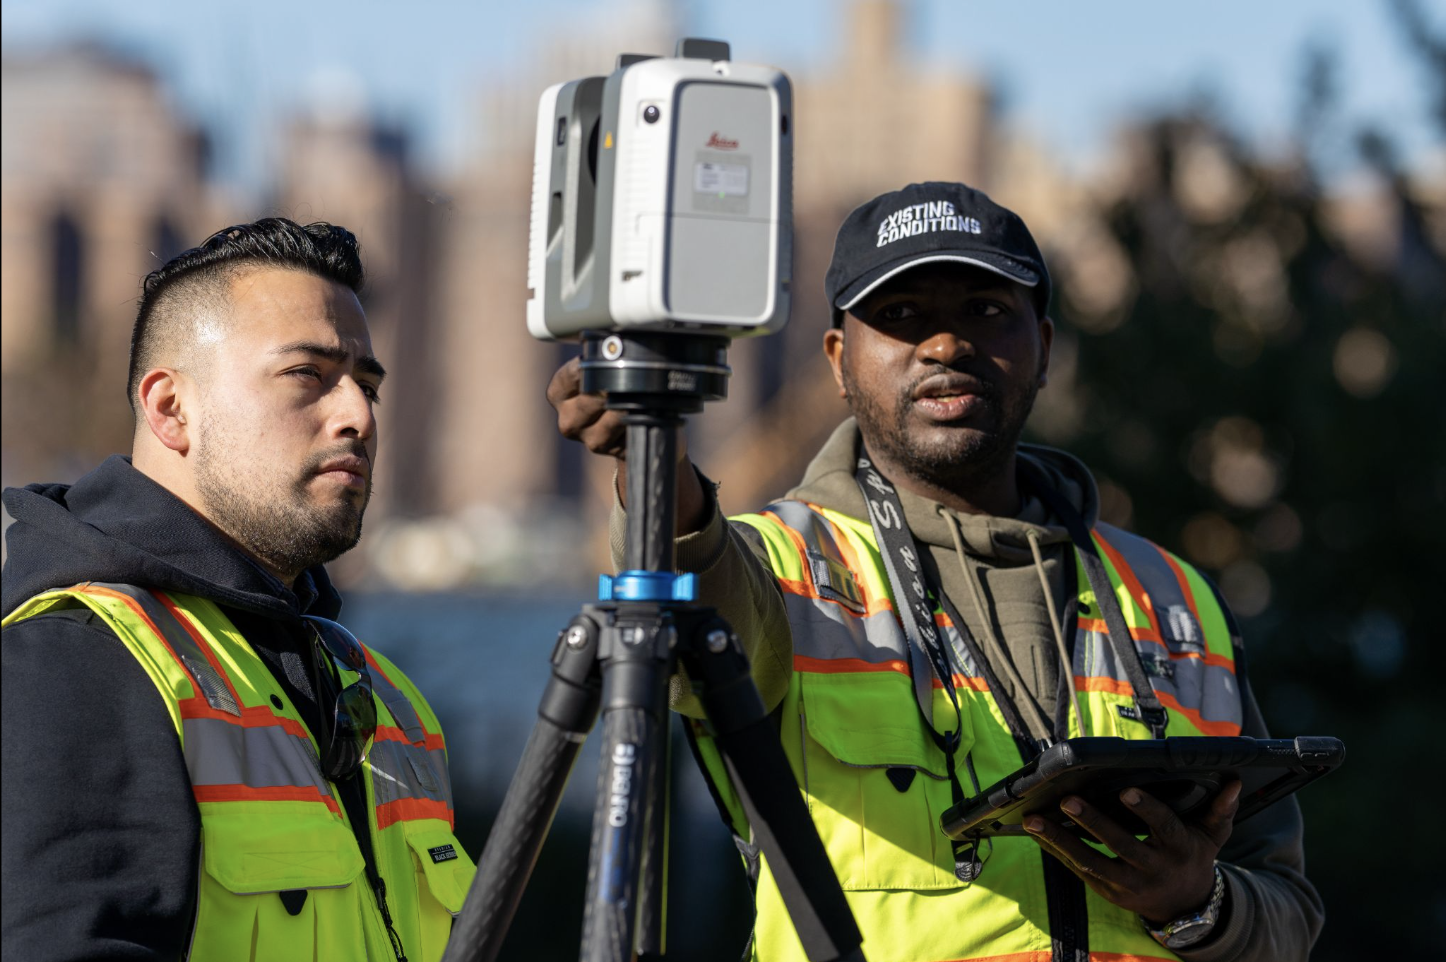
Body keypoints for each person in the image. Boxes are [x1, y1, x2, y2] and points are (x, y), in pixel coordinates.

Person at [549, 183, 1322, 961]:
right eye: (901, 316)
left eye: (985, 311)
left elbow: (1286, 912)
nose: (946, 346)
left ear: (1044, 348)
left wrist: (1196, 905)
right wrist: (652, 460)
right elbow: (699, 589)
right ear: (839, 361)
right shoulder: (786, 568)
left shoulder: (1172, 597)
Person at [1, 219, 474, 962]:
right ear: (170, 409)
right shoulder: (75, 662)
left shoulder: (383, 696)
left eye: (368, 384)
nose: (358, 416)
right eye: (307, 375)